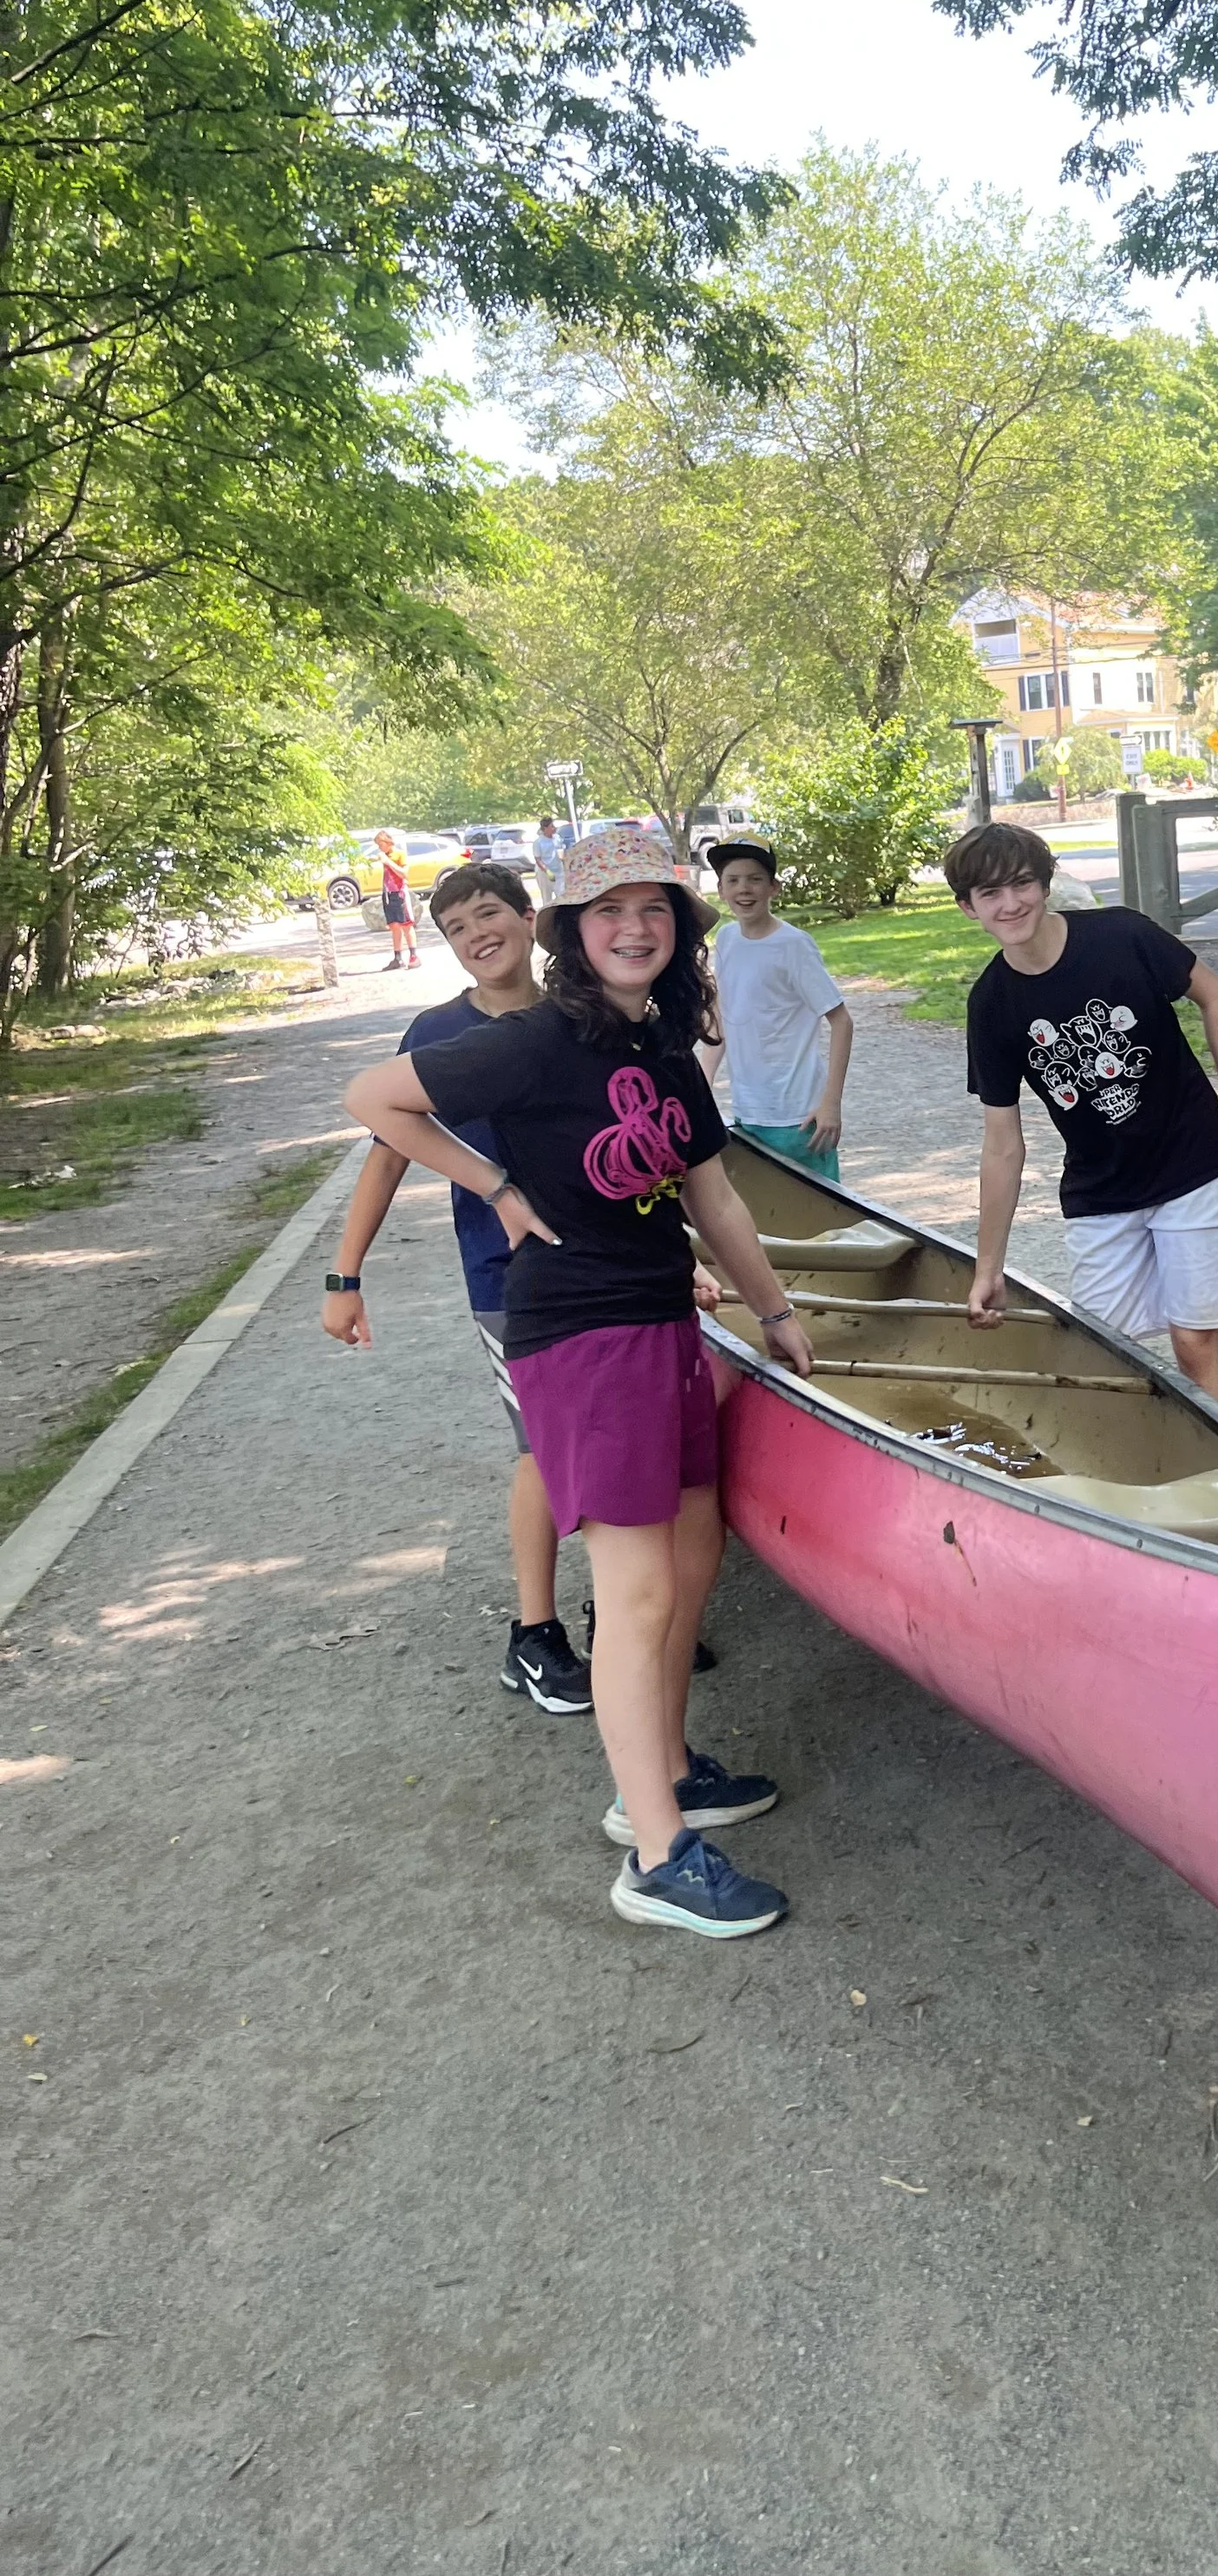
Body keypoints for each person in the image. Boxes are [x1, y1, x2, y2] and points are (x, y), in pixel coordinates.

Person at [344, 827, 816, 1940]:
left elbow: (718, 1202)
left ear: (678, 929)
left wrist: (779, 1311)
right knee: (639, 1590)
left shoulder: (661, 1048)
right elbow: (377, 1097)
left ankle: (657, 1772)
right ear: (570, 932)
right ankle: (656, 1855)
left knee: (690, 1560)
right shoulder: (537, 1038)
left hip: (661, 1323)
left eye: (653, 910)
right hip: (580, 1338)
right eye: (608, 913)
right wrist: (497, 1184)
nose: (634, 928)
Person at [323, 862, 591, 1711]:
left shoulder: (581, 1015)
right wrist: (345, 1275)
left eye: (489, 914)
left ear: (526, 917)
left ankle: (624, 1609)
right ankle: (533, 1637)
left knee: (616, 1431)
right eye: (455, 928)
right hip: (506, 1281)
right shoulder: (437, 1033)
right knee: (544, 1450)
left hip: (607, 1267)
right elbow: (387, 1150)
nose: (477, 934)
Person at [946, 821, 1218, 1406]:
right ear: (968, 907)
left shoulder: (1121, 935)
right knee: (1104, 1351)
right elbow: (1002, 1143)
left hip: (1189, 1158)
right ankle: (1134, 1485)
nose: (1011, 904)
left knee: (1193, 1337)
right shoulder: (991, 1005)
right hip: (1101, 1186)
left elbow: (1213, 994)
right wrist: (989, 1265)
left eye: (1021, 885)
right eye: (990, 894)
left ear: (1045, 883)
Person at [698, 838, 854, 1182]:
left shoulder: (793, 946)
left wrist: (831, 1103)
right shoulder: (726, 939)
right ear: (721, 890)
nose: (744, 889)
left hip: (798, 1117)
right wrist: (702, 1082)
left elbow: (841, 1021)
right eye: (733, 880)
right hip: (747, 1111)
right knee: (764, 1217)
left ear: (774, 887)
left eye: (755, 879)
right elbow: (722, 1016)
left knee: (817, 1219)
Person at [376, 830, 418, 970]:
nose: (379, 847)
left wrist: (388, 862)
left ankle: (414, 955)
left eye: (381, 844)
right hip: (388, 893)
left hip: (399, 892)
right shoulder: (384, 856)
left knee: (406, 924)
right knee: (394, 925)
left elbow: (404, 873)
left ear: (387, 842)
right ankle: (397, 957)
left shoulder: (399, 854)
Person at [533, 816, 566, 901]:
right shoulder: (538, 842)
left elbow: (562, 853)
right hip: (544, 873)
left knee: (562, 895)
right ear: (545, 828)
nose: (554, 828)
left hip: (558, 871)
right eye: (552, 826)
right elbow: (538, 859)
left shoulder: (557, 838)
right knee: (547, 898)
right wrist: (547, 871)